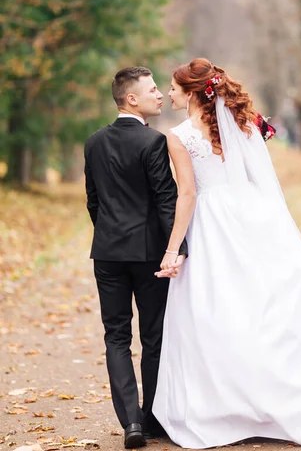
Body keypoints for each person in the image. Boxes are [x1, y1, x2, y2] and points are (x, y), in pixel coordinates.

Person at [152, 58, 301, 449]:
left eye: (173, 88)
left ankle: (226, 410)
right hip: (256, 216)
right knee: (265, 307)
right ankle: (284, 403)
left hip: (211, 225)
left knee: (216, 310)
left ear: (192, 92)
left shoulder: (178, 136)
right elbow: (261, 178)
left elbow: (188, 194)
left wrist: (173, 248)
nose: (169, 93)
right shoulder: (244, 124)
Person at [84, 67, 187, 449]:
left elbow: (93, 200)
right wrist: (176, 250)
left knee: (116, 337)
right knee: (154, 336)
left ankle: (130, 422)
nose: (160, 95)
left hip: (107, 253)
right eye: (152, 89)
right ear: (131, 99)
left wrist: (109, 233)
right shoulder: (153, 142)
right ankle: (151, 417)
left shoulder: (94, 142)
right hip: (148, 255)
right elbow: (165, 200)